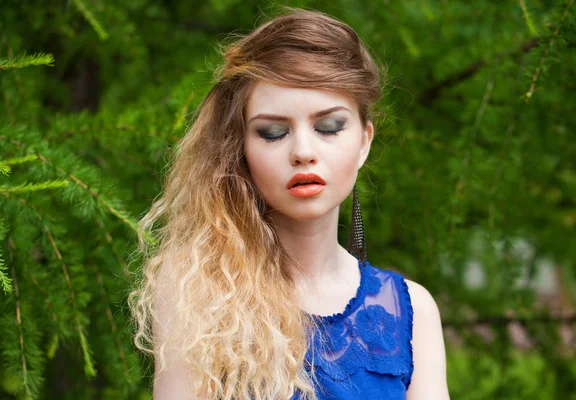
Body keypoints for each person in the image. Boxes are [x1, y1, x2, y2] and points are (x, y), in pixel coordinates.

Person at [129, 7, 450, 400]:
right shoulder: (198, 297)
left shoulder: (412, 312)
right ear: (240, 148)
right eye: (273, 132)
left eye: (329, 127)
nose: (303, 151)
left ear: (365, 140)